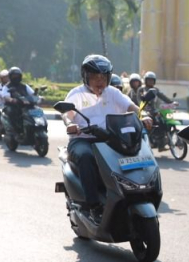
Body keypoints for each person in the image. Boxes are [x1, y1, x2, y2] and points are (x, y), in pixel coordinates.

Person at [63, 55, 152, 219]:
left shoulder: (112, 92)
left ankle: (131, 194)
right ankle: (94, 206)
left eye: (103, 77)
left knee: (132, 156)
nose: (99, 81)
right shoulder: (76, 94)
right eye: (95, 76)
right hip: (83, 140)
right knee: (86, 157)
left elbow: (131, 106)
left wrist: (143, 115)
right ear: (86, 76)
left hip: (110, 139)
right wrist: (70, 124)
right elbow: (67, 114)